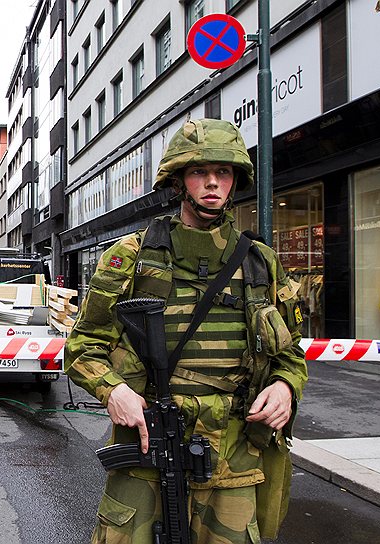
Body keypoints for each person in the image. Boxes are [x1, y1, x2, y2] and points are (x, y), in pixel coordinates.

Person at [65, 119, 308, 544]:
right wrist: (114, 391)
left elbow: (290, 353)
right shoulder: (132, 256)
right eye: (199, 172)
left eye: (223, 172)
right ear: (179, 181)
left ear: (235, 180)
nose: (212, 183)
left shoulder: (260, 262)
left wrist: (285, 387)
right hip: (148, 447)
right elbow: (83, 346)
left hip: (234, 455)